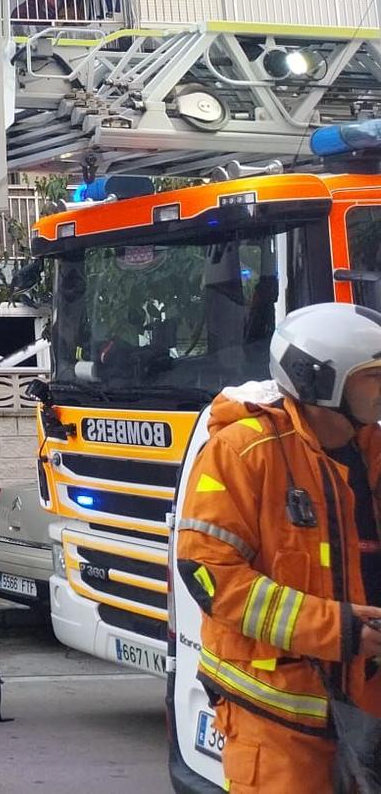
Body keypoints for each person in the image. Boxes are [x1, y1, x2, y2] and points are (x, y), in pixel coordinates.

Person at [177, 302, 381, 794]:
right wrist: (337, 628)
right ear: (320, 381)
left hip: (363, 707)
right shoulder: (243, 451)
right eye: (372, 377)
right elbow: (210, 575)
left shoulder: (371, 449)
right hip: (274, 715)